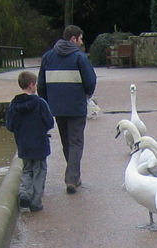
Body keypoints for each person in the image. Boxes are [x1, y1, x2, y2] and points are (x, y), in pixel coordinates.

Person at [37, 25, 97, 194]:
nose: (81, 42)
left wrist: (47, 103)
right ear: (73, 39)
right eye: (80, 38)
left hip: (57, 107)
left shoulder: (47, 57)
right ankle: (72, 177)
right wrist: (87, 94)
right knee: (76, 142)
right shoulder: (80, 57)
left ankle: (74, 174)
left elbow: (41, 85)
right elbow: (90, 81)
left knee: (66, 141)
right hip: (76, 106)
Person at [5, 70, 54, 213]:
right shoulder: (40, 103)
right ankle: (36, 202)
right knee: (39, 171)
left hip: (23, 144)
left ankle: (24, 193)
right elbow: (49, 122)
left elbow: (9, 125)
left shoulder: (14, 104)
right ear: (32, 85)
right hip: (39, 144)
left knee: (27, 170)